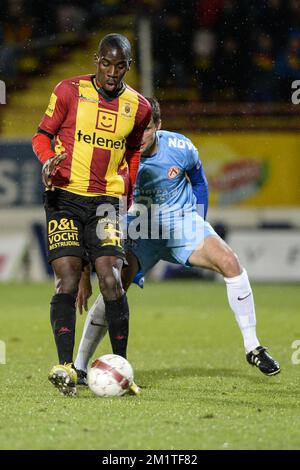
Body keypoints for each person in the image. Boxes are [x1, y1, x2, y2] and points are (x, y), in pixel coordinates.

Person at [74, 98, 280, 387]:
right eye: (135, 129)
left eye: (145, 129)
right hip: (141, 227)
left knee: (231, 263)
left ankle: (253, 347)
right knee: (113, 286)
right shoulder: (115, 154)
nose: (139, 135)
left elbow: (198, 180)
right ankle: (80, 367)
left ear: (158, 126)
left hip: (181, 222)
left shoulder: (180, 147)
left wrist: (198, 220)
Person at [32, 33, 152, 396]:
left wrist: (126, 194)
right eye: (106, 63)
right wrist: (47, 160)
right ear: (95, 60)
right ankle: (67, 367)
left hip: (106, 202)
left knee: (112, 279)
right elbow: (42, 135)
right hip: (65, 197)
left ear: (128, 67)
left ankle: (121, 366)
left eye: (119, 65)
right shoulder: (68, 91)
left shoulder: (139, 106)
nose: (112, 72)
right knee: (67, 279)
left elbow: (133, 152)